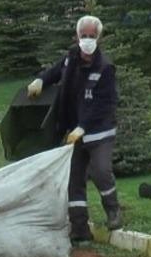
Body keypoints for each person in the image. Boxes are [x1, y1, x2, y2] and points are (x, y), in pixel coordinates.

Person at [26, 15, 122, 243]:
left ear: (99, 38)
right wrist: (40, 81)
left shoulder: (105, 68)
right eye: (84, 36)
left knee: (100, 171)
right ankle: (79, 228)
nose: (87, 40)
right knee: (74, 179)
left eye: (92, 36)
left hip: (99, 132)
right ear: (76, 36)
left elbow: (104, 104)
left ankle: (113, 211)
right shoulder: (71, 59)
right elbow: (54, 72)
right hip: (74, 135)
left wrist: (83, 127)